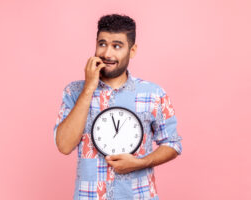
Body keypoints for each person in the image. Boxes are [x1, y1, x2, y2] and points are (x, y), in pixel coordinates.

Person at [54, 14, 182, 200]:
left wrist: (140, 163)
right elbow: (64, 146)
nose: (107, 54)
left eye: (117, 46)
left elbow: (173, 144)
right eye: (102, 43)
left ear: (132, 50)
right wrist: (89, 88)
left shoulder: (153, 94)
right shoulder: (74, 91)